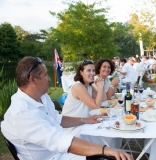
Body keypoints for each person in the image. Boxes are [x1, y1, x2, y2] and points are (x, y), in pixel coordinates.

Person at [0, 57, 132, 160]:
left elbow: (57, 119)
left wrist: (84, 119)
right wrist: (106, 150)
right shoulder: (22, 113)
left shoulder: (42, 97)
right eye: (46, 75)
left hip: (60, 152)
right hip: (53, 156)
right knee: (107, 154)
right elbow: (59, 140)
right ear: (33, 80)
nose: (49, 79)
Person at [61, 60, 120, 148]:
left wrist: (102, 85)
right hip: (73, 127)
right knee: (106, 133)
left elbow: (103, 100)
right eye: (88, 70)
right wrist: (100, 88)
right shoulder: (78, 86)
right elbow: (95, 106)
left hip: (85, 122)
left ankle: (110, 153)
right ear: (81, 72)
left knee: (111, 128)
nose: (92, 73)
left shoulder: (89, 86)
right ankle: (105, 154)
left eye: (93, 70)